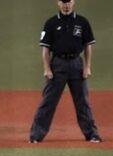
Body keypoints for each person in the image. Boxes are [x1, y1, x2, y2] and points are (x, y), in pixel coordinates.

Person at [28, 0, 102, 144]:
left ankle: (92, 134)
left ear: (73, 2)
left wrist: (87, 67)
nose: (66, 5)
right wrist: (46, 69)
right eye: (63, 2)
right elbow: (45, 49)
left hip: (76, 64)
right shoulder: (51, 23)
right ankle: (36, 135)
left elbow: (88, 46)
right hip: (58, 65)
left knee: (83, 102)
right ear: (58, 3)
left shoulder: (82, 22)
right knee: (48, 101)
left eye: (68, 2)